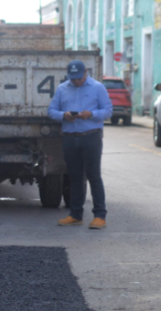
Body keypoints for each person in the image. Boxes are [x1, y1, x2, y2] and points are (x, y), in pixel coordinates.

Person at [47, 60, 113, 229]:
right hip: (70, 138)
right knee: (74, 177)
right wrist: (64, 115)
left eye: (78, 78)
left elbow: (108, 110)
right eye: (72, 78)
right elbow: (51, 110)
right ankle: (76, 214)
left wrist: (91, 114)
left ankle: (100, 216)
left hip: (91, 137)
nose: (76, 81)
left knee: (93, 176)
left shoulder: (97, 88)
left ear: (85, 73)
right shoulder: (63, 88)